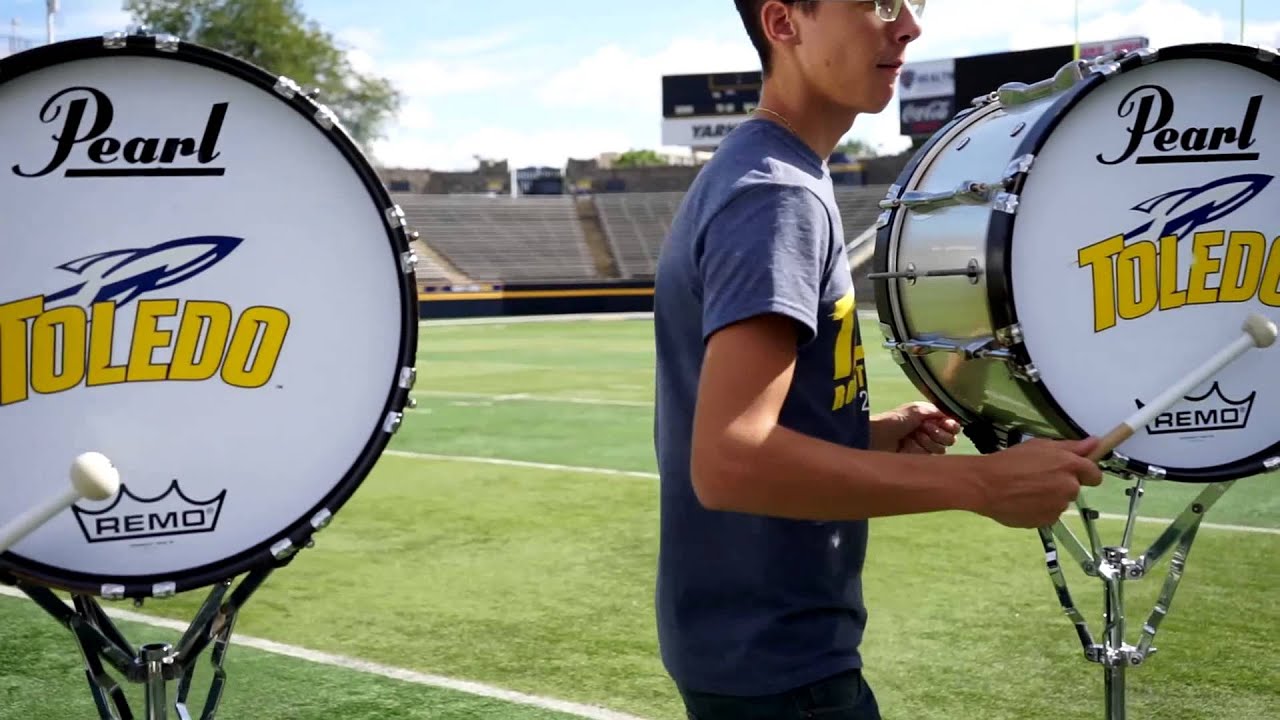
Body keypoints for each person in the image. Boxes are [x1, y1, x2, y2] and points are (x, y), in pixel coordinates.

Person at [650, 1, 1105, 718]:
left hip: (752, 650)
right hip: (779, 668)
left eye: (912, 3)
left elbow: (742, 438)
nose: (909, 26)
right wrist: (981, 484)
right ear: (783, 23)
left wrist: (863, 436)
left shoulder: (771, 172)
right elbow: (729, 462)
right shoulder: (775, 193)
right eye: (876, 3)